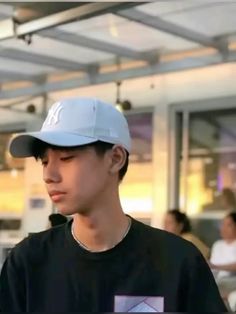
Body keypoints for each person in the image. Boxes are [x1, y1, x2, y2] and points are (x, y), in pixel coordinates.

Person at [0, 97, 226, 312]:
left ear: (116, 158)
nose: (49, 174)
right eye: (45, 161)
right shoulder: (29, 261)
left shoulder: (177, 262)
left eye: (66, 157)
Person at [209, 212, 236, 297]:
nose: (223, 228)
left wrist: (216, 266)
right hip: (217, 279)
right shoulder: (217, 245)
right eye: (222, 224)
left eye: (228, 225)